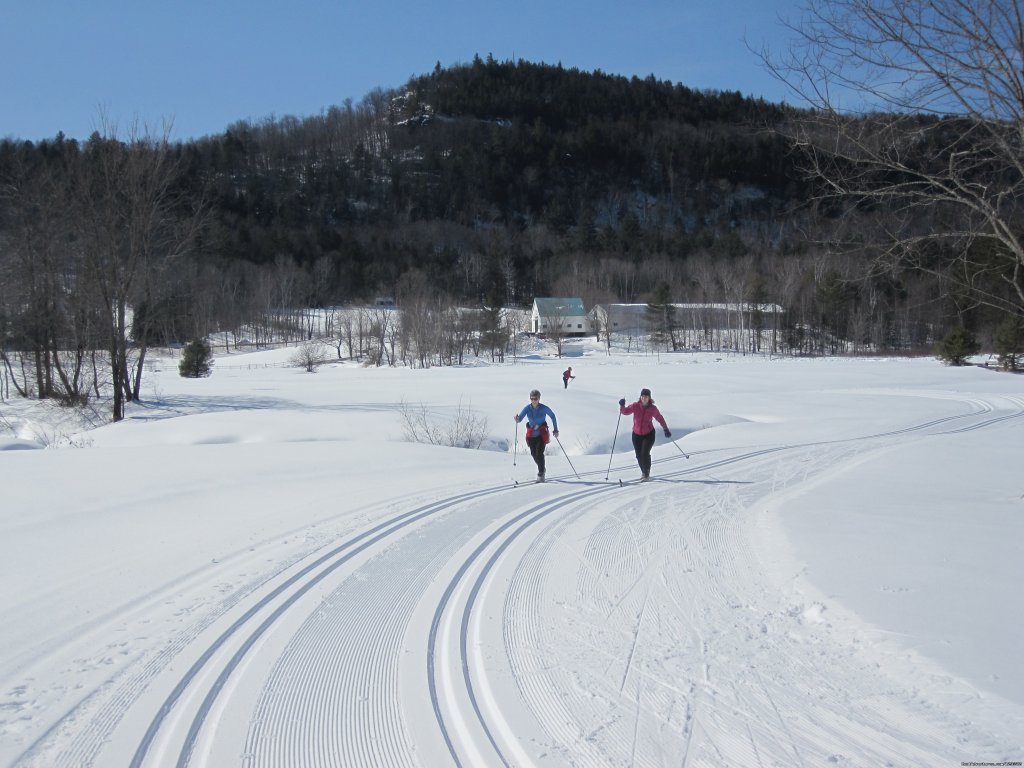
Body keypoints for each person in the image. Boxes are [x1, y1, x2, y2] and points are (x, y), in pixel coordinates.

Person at [618, 387, 670, 481]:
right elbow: (625, 412)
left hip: (648, 434)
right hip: (636, 434)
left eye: (646, 396)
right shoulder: (635, 406)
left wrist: (665, 429)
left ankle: (646, 473)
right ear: (640, 397)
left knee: (644, 453)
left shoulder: (652, 409)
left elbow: (660, 418)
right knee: (638, 455)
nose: (644, 398)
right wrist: (622, 405)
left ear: (649, 398)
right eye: (642, 396)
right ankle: (644, 471)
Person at [514, 389, 559, 481]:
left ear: (539, 399)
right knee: (533, 454)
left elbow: (553, 416)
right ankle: (542, 467)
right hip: (531, 435)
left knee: (539, 453)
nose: (534, 400)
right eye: (532, 398)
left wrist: (555, 430)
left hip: (542, 434)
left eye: (536, 398)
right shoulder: (527, 408)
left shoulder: (544, 408)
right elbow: (520, 420)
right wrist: (517, 419)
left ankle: (541, 473)